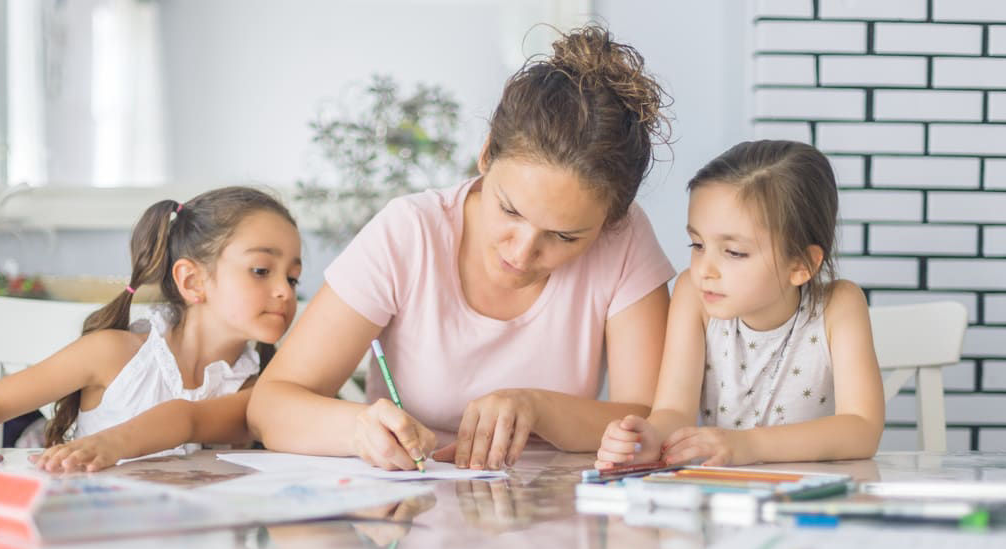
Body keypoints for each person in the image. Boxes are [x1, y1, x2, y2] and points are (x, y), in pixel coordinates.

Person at [250, 25, 676, 471]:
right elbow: (270, 408)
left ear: (609, 222)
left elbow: (646, 418)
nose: (523, 251)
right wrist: (358, 429)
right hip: (411, 517)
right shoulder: (410, 233)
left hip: (555, 521)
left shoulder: (625, 239)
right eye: (510, 211)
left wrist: (537, 407)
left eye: (564, 236)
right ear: (487, 155)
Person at [0, 187, 302, 472]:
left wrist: (113, 444)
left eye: (294, 278)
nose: (285, 291)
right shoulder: (114, 354)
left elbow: (191, 425)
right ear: (193, 281)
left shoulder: (260, 384)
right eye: (261, 271)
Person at [596, 140, 884, 469]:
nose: (705, 269)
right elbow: (674, 410)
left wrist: (750, 444)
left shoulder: (838, 307)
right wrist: (648, 437)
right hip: (724, 500)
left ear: (801, 264)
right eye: (698, 244)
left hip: (803, 501)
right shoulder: (693, 294)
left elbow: (862, 429)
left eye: (733, 252)